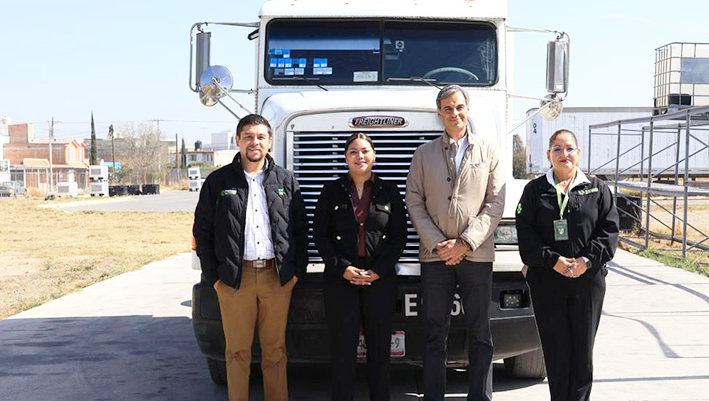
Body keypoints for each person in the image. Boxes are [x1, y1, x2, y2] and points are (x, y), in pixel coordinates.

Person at [192, 114, 307, 401]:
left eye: (260, 137)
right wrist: (214, 278)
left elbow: (300, 230)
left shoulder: (286, 180)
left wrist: (296, 273)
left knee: (275, 351)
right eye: (248, 137)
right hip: (234, 280)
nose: (254, 142)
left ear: (270, 142)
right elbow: (202, 232)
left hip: (276, 278)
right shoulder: (218, 182)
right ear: (238, 140)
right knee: (237, 352)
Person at [406, 85, 505, 401]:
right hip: (435, 257)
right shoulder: (424, 154)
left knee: (480, 332)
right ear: (439, 113)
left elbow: (495, 203)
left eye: (459, 107)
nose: (454, 113)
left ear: (467, 109)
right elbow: (414, 201)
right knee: (435, 332)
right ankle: (434, 395)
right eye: (447, 108)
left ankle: (480, 397)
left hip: (476, 256)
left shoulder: (489, 152)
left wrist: (465, 242)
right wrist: (438, 244)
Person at [514, 129, 619, 401]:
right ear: (549, 154)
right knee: (557, 353)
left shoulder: (597, 189)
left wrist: (587, 260)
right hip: (547, 283)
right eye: (558, 149)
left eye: (570, 148)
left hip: (587, 282)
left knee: (582, 355)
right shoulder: (534, 191)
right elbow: (526, 234)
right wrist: (553, 261)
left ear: (578, 153)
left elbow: (609, 232)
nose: (564, 154)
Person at [313, 132, 408, 401]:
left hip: (380, 278)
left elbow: (399, 237)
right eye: (353, 151)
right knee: (343, 350)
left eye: (365, 151)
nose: (359, 156)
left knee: (379, 350)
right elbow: (320, 235)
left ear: (374, 156)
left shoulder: (389, 191)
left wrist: (378, 271)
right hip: (341, 279)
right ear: (345, 158)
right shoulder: (331, 191)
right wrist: (342, 268)